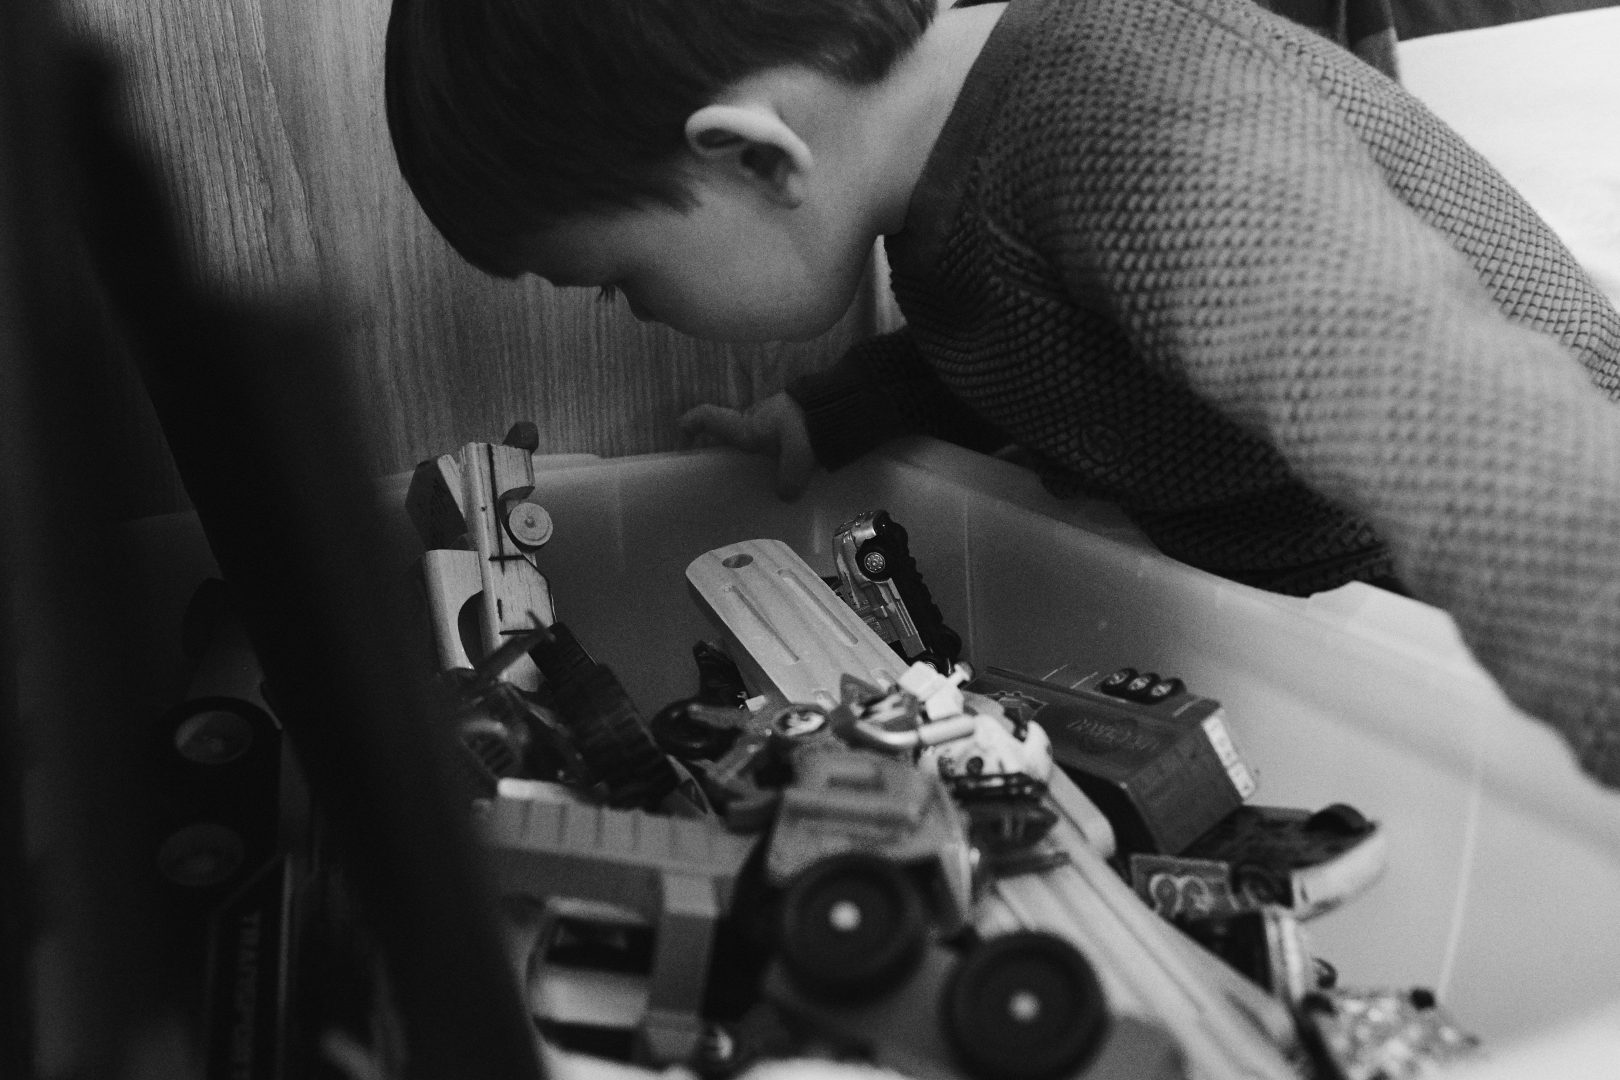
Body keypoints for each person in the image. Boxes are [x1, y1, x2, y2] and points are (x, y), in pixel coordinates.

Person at [383, 0, 1620, 786]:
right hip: (1340, 590)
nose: (639, 314)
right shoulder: (945, 181)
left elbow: (1453, 429)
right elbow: (1031, 339)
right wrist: (842, 411)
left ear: (757, 156)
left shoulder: (1130, 125)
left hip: (1492, 578)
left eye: (621, 281)